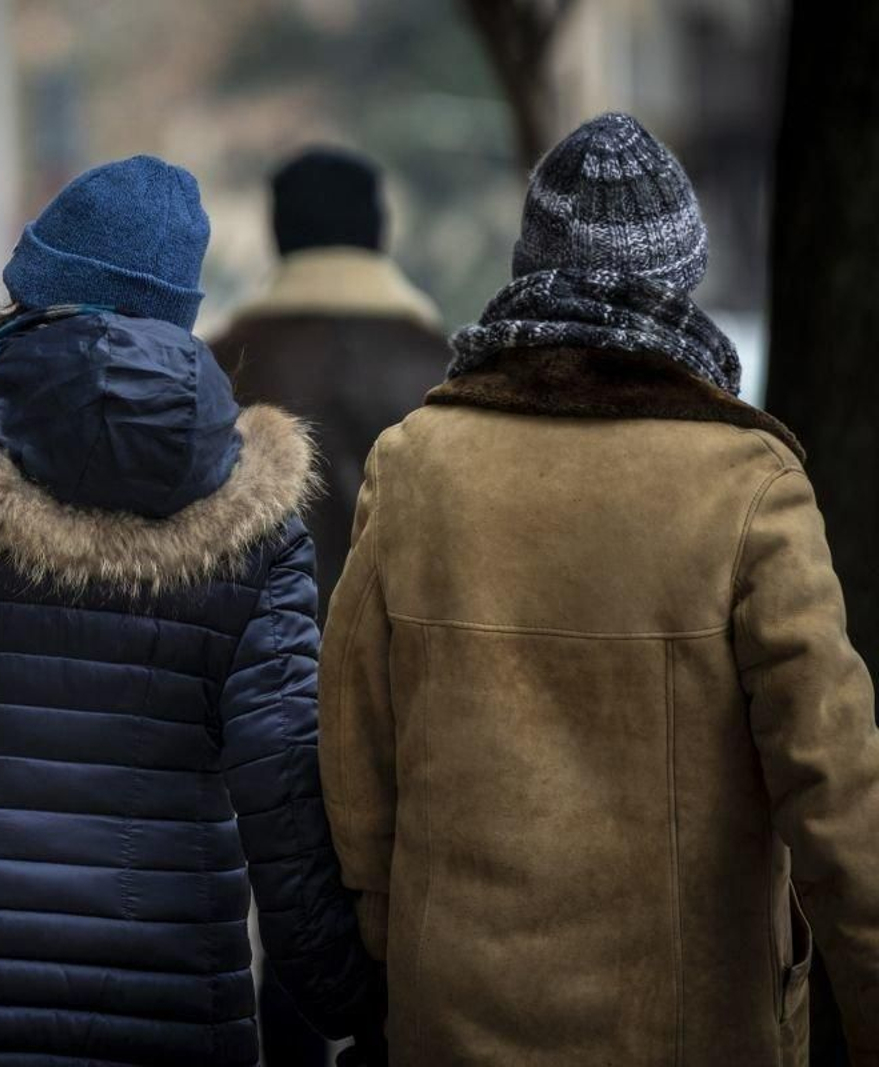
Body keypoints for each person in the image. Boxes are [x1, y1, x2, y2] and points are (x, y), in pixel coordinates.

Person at [0, 155, 380, 1065]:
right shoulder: (257, 525)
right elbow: (284, 775)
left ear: (34, 292)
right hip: (166, 998)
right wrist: (339, 988)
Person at [319, 112, 879, 1065]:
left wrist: (394, 941)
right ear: (681, 282)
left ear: (530, 273)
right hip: (690, 1026)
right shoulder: (747, 486)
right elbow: (834, 788)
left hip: (453, 1018)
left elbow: (354, 756)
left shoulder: (416, 466)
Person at [212, 148, 448, 607]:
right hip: (404, 661)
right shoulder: (443, 366)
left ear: (278, 233)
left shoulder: (221, 364)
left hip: (262, 664)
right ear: (379, 230)